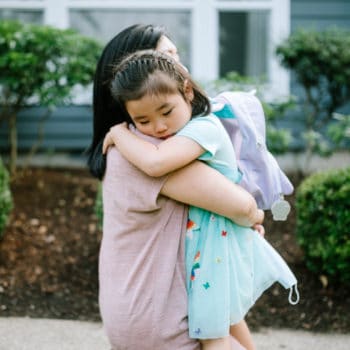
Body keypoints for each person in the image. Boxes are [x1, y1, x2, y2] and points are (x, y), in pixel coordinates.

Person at [102, 50, 299, 350]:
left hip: (214, 242)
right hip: (209, 239)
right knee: (221, 322)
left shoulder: (202, 128)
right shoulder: (183, 130)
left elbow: (155, 163)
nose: (158, 127)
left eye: (166, 112)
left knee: (213, 332)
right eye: (142, 120)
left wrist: (119, 134)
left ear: (188, 91)